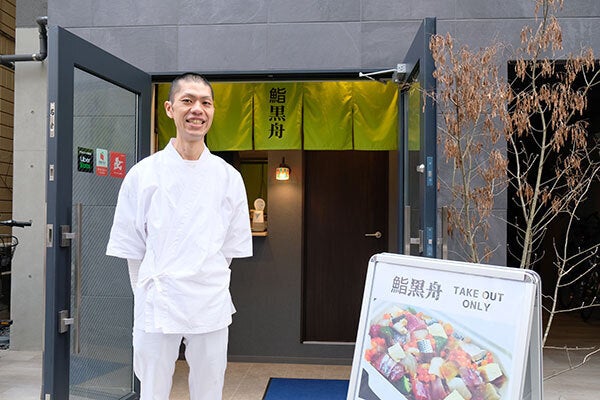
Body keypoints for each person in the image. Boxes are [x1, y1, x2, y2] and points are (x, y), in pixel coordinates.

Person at [106, 73, 253, 400]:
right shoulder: (143, 174)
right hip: (157, 300)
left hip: (210, 300)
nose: (197, 109)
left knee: (209, 389)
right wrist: (146, 296)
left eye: (205, 103)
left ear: (212, 111)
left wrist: (205, 276)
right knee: (153, 390)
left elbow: (228, 250)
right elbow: (133, 250)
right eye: (188, 100)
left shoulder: (228, 178)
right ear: (170, 109)